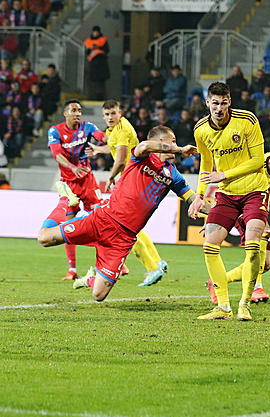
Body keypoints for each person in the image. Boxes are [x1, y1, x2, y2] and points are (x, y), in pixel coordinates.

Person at [38, 126, 203, 301]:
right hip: (103, 220)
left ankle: (89, 280)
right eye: (173, 141)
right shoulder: (142, 156)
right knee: (44, 238)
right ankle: (65, 199)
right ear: (160, 142)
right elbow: (145, 146)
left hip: (123, 239)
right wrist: (180, 149)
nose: (176, 145)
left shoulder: (174, 176)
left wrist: (221, 212)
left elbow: (193, 199)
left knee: (99, 295)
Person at [188, 82, 270, 321]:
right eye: (215, 103)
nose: (219, 108)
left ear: (229, 102)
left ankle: (245, 304)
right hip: (226, 195)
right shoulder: (201, 129)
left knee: (253, 246)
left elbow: (257, 161)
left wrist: (222, 175)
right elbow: (205, 163)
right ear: (207, 103)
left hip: (255, 190)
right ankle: (223, 308)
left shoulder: (247, 120)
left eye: (224, 103)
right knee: (209, 246)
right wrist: (200, 194)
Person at [207, 130, 270, 304]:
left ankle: (218, 282)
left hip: (258, 210)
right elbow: (229, 183)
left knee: (265, 265)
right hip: (241, 208)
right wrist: (217, 213)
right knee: (260, 242)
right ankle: (256, 288)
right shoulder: (256, 163)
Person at [84, 100, 170, 286]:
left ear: (120, 113)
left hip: (131, 181)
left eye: (113, 114)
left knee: (124, 228)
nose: (110, 118)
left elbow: (121, 158)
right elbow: (113, 147)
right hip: (135, 181)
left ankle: (152, 268)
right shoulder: (112, 131)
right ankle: (157, 262)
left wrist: (112, 177)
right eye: (106, 115)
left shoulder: (123, 129)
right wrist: (99, 149)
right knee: (135, 228)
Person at [47, 99, 105, 281]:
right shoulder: (55, 131)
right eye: (73, 110)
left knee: (100, 222)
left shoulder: (86, 126)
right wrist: (72, 167)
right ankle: (72, 269)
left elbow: (101, 136)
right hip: (68, 184)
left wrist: (111, 136)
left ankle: (108, 262)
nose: (77, 113)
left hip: (87, 181)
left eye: (79, 110)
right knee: (67, 226)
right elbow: (57, 154)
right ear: (66, 113)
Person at [84, 26, 110, 99]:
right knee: (92, 82)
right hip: (92, 64)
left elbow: (107, 50)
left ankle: (100, 96)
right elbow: (86, 51)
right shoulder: (88, 41)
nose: (95, 33)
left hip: (101, 63)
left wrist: (98, 48)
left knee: (101, 82)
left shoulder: (103, 40)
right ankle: (93, 96)